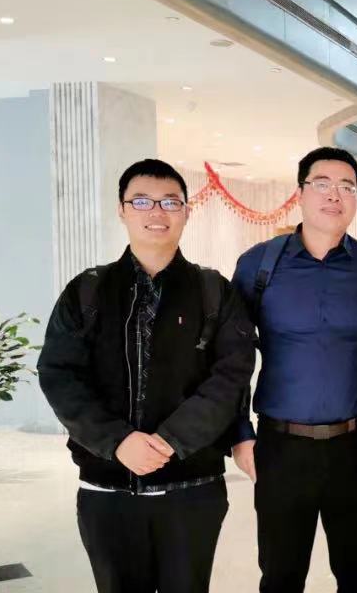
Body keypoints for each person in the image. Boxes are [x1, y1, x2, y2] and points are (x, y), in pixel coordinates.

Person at [37, 159, 255, 593]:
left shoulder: (214, 290)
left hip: (192, 488)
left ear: (187, 211)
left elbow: (231, 376)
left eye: (170, 202)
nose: (157, 212)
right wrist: (117, 441)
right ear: (122, 210)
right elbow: (59, 374)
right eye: (141, 201)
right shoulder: (87, 290)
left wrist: (170, 441)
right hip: (107, 490)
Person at [230, 147, 357, 593]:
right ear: (300, 193)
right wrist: (240, 433)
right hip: (281, 447)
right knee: (281, 577)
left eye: (347, 187)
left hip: (356, 447)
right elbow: (231, 357)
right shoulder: (259, 264)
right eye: (322, 184)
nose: (334, 195)